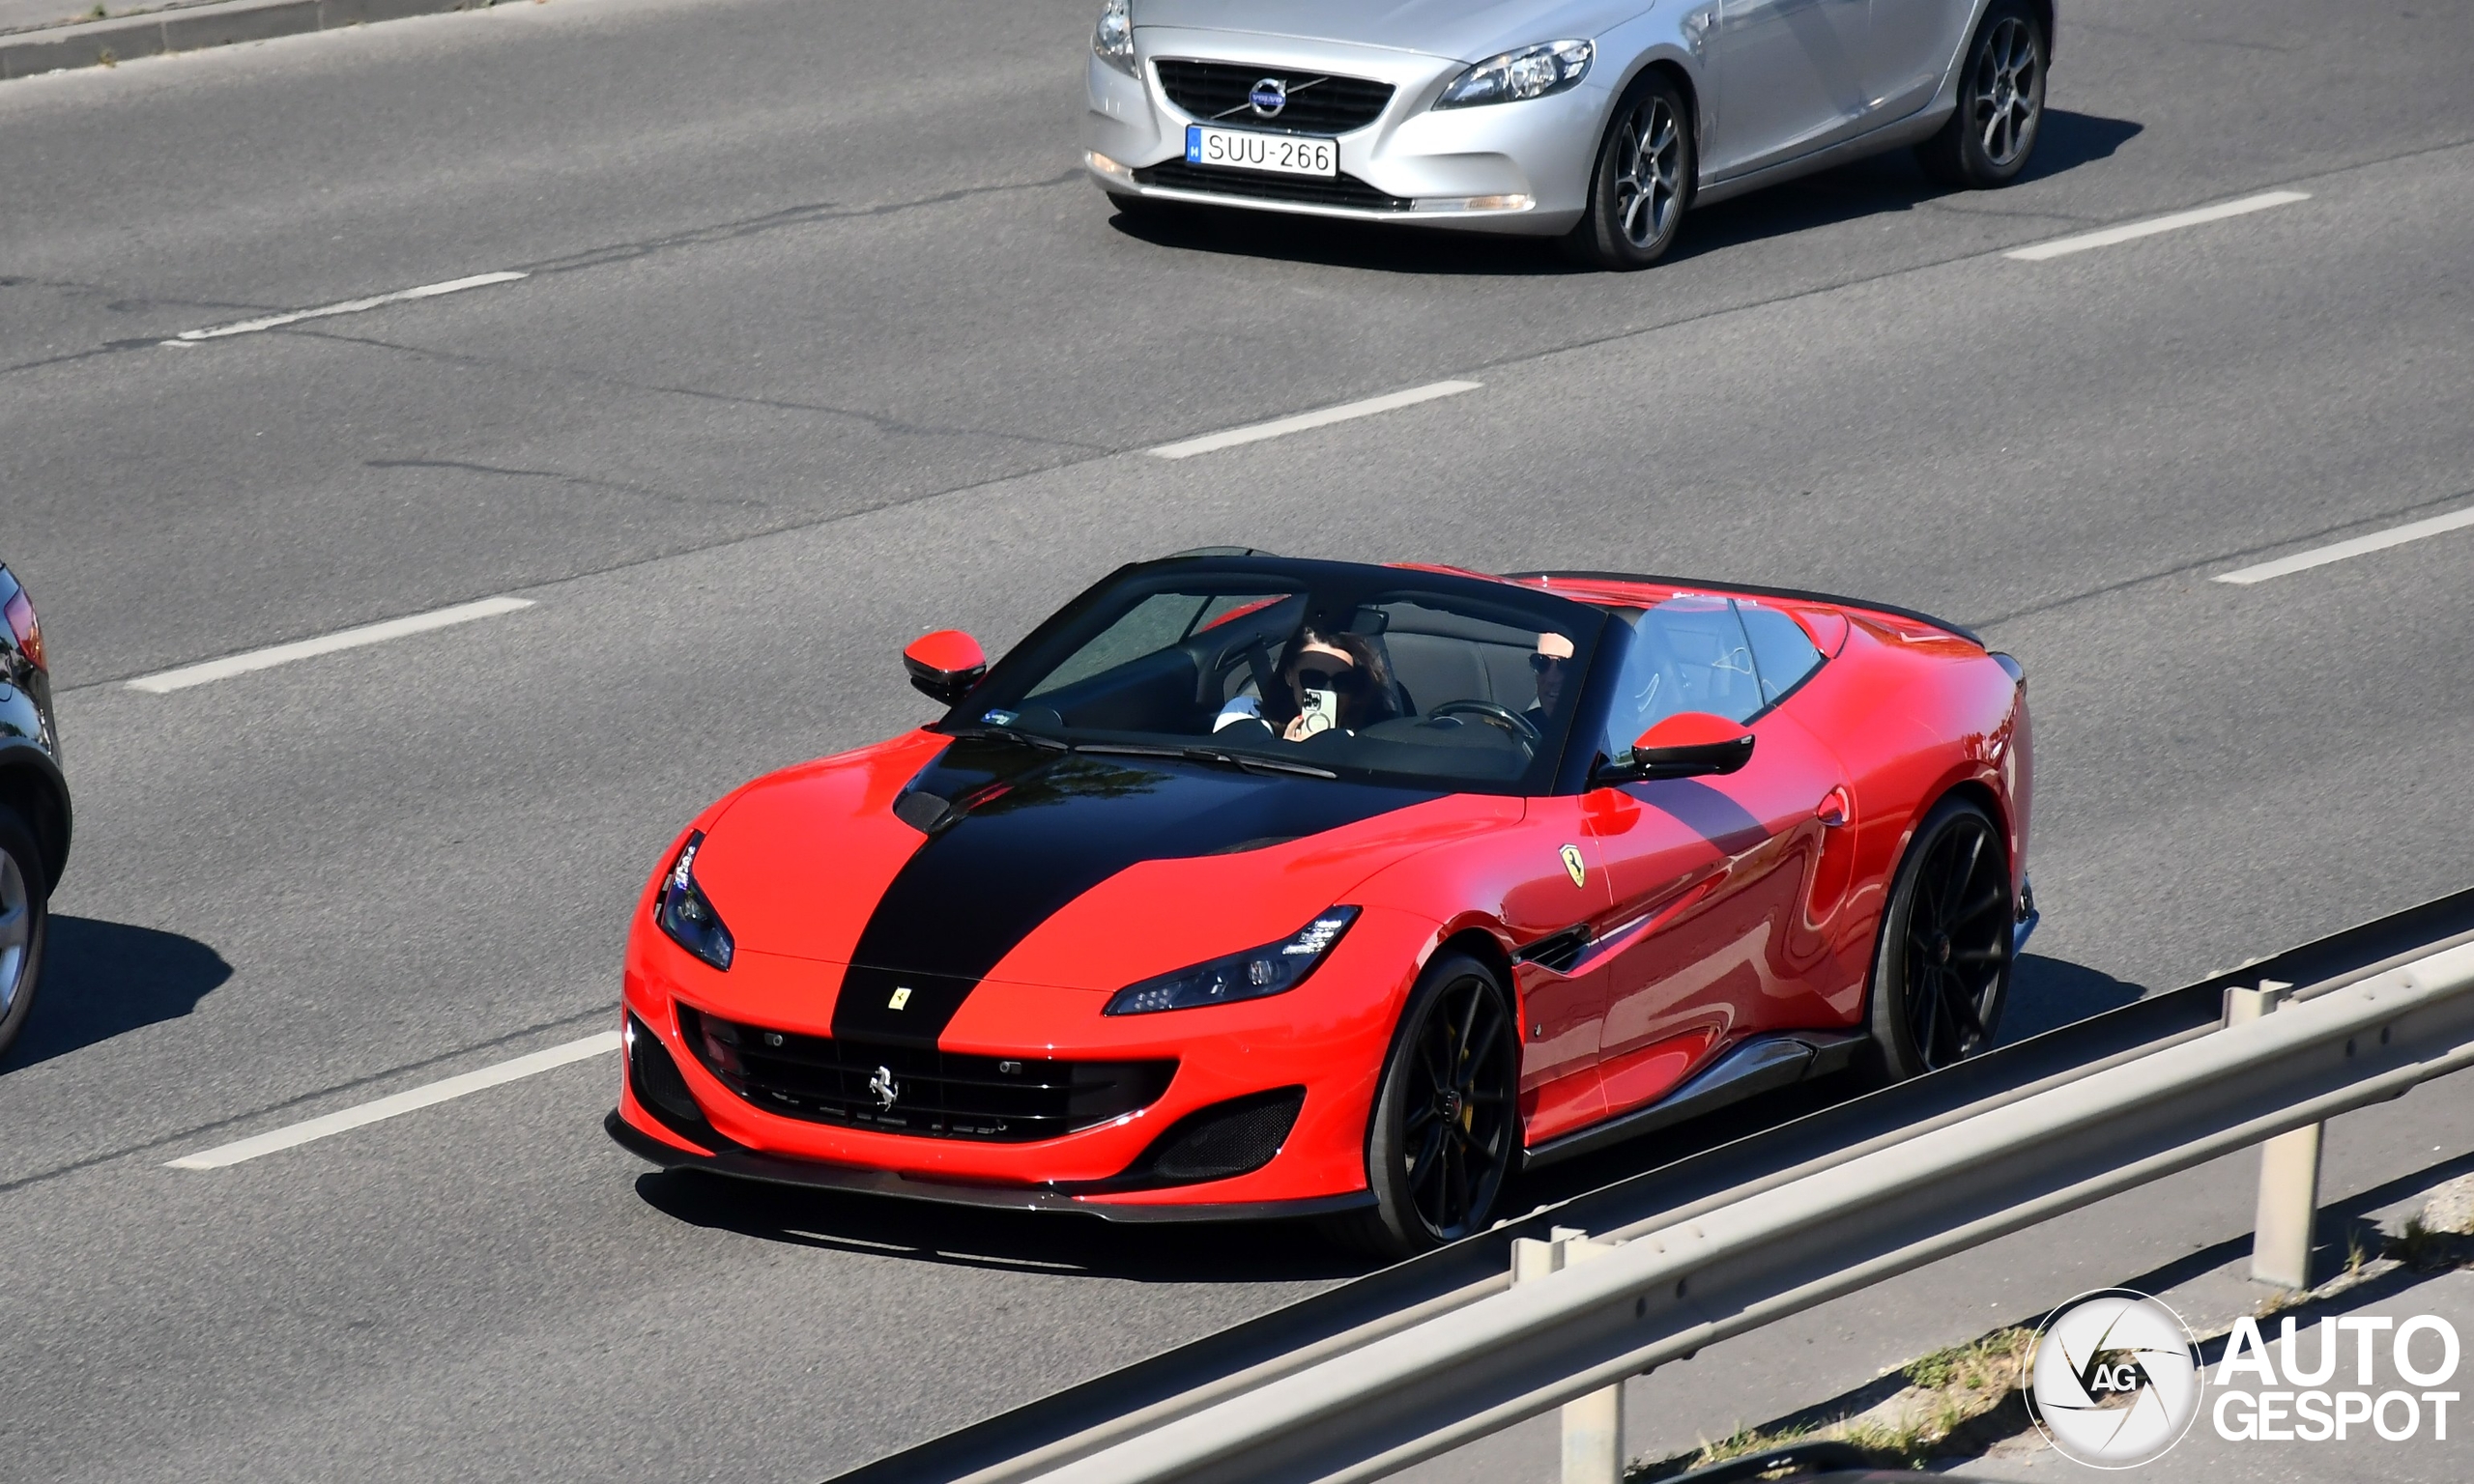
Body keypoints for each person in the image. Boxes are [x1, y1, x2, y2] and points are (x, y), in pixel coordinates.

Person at [1214, 626, 1397, 740]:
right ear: (1289, 676)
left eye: (1343, 682)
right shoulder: (1249, 715)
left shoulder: (1374, 736)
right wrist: (1286, 754)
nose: (1329, 692)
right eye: (1314, 679)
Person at [1525, 631, 1575, 727]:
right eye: (1541, 662)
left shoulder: (1601, 733)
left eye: (1566, 664)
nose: (1551, 679)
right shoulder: (1519, 732)